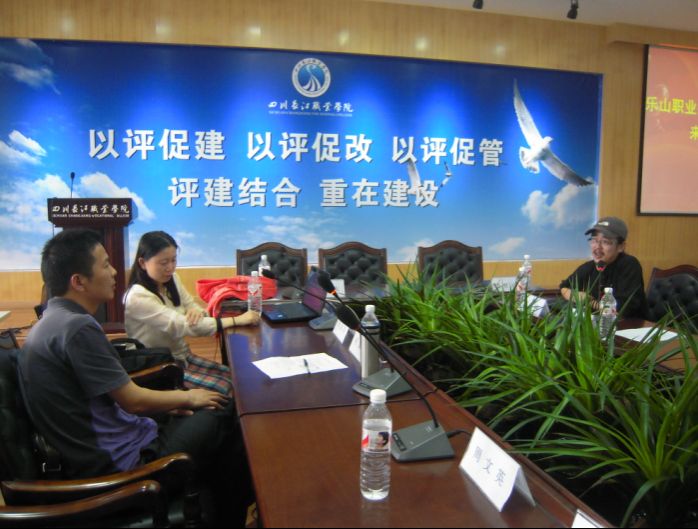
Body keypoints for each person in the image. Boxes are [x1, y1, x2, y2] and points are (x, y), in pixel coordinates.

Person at [18, 229, 251, 525]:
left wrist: (171, 404)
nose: (115, 271)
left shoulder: (53, 322)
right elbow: (133, 401)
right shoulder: (76, 329)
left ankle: (221, 507)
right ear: (78, 281)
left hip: (121, 441)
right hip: (126, 465)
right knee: (225, 408)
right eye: (105, 265)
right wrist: (187, 397)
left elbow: (112, 399)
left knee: (216, 427)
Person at [124, 231, 260, 395]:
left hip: (182, 356)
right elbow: (184, 326)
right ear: (142, 263)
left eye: (174, 260)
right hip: (160, 366)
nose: (170, 267)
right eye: (163, 262)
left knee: (237, 377)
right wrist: (237, 320)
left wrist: (196, 311)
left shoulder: (172, 279)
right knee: (226, 388)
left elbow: (192, 306)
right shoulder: (137, 297)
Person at [560, 216, 648, 319]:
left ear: (621, 247)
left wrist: (590, 302)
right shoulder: (590, 266)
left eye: (605, 242)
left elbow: (621, 309)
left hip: (631, 325)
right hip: (598, 323)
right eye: (594, 240)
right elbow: (564, 287)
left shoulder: (629, 265)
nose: (597, 247)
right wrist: (577, 296)